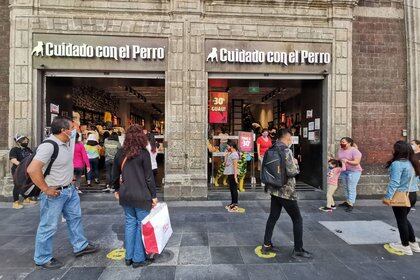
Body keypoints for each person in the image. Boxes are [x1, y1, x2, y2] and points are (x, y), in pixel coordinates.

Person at [27, 116, 98, 269]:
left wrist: (70, 177)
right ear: (63, 131)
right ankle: (42, 257)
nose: (75, 131)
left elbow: (66, 157)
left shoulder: (68, 142)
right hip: (54, 193)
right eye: (72, 128)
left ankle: (80, 245)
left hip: (69, 190)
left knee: (75, 218)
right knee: (49, 225)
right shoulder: (49, 146)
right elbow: (32, 169)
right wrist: (46, 189)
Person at [261, 129, 312, 259]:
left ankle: (266, 244)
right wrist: (296, 164)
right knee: (297, 219)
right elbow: (291, 172)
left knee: (273, 217)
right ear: (287, 138)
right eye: (290, 138)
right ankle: (298, 249)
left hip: (274, 189)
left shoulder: (271, 149)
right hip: (286, 191)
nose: (290, 141)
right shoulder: (286, 151)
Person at [112, 124, 158, 268]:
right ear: (141, 137)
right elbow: (149, 177)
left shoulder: (120, 153)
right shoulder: (144, 153)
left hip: (126, 194)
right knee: (140, 225)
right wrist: (154, 195)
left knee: (130, 223)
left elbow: (114, 174)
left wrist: (116, 189)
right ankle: (138, 258)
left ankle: (129, 257)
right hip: (141, 194)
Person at [383, 141, 420, 255]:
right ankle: (413, 243)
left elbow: (394, 182)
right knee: (404, 218)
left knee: (401, 220)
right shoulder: (412, 162)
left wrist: (388, 197)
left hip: (401, 194)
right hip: (413, 194)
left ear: (398, 150)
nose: (393, 150)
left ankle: (405, 246)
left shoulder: (397, 164)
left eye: (394, 148)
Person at [9, 134, 36, 209]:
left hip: (27, 170)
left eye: (26, 140)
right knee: (17, 185)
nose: (26, 141)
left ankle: (26, 199)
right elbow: (13, 160)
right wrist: (22, 166)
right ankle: (15, 202)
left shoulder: (28, 149)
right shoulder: (14, 149)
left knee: (26, 184)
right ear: (18, 142)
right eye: (24, 140)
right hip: (18, 170)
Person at [337, 137, 362, 212]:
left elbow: (356, 162)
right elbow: (339, 159)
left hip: (354, 171)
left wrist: (347, 161)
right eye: (341, 142)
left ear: (349, 143)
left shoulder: (355, 151)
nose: (341, 143)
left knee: (351, 187)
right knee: (345, 187)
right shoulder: (340, 150)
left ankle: (351, 204)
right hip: (344, 171)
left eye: (343, 142)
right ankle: (347, 201)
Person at [223, 141, 240, 212]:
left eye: (228, 146)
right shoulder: (231, 153)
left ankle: (235, 204)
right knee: (231, 189)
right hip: (230, 173)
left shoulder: (235, 154)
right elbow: (226, 164)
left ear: (231, 146)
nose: (227, 147)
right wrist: (226, 155)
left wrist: (235, 176)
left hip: (233, 173)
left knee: (234, 189)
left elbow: (235, 166)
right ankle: (232, 203)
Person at [410, 140, 420, 209]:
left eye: (412, 144)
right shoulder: (411, 154)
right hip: (415, 174)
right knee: (413, 189)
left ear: (418, 145)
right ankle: (412, 204)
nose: (411, 146)